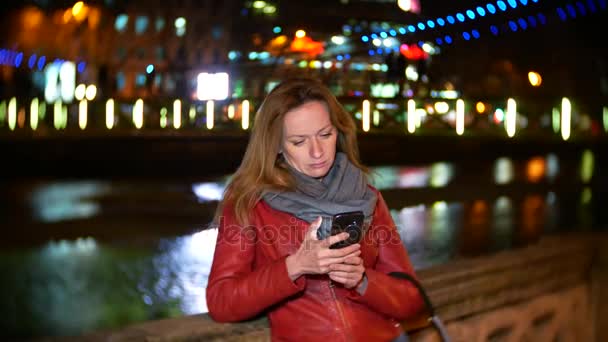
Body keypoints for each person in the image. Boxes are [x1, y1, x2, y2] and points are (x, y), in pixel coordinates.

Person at [206, 77, 424, 341]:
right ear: (275, 145)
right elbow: (221, 301)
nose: (317, 152)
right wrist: (294, 266)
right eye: (299, 141)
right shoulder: (248, 205)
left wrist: (363, 280)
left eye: (325, 134)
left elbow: (412, 300)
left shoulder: (367, 196)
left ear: (339, 133)